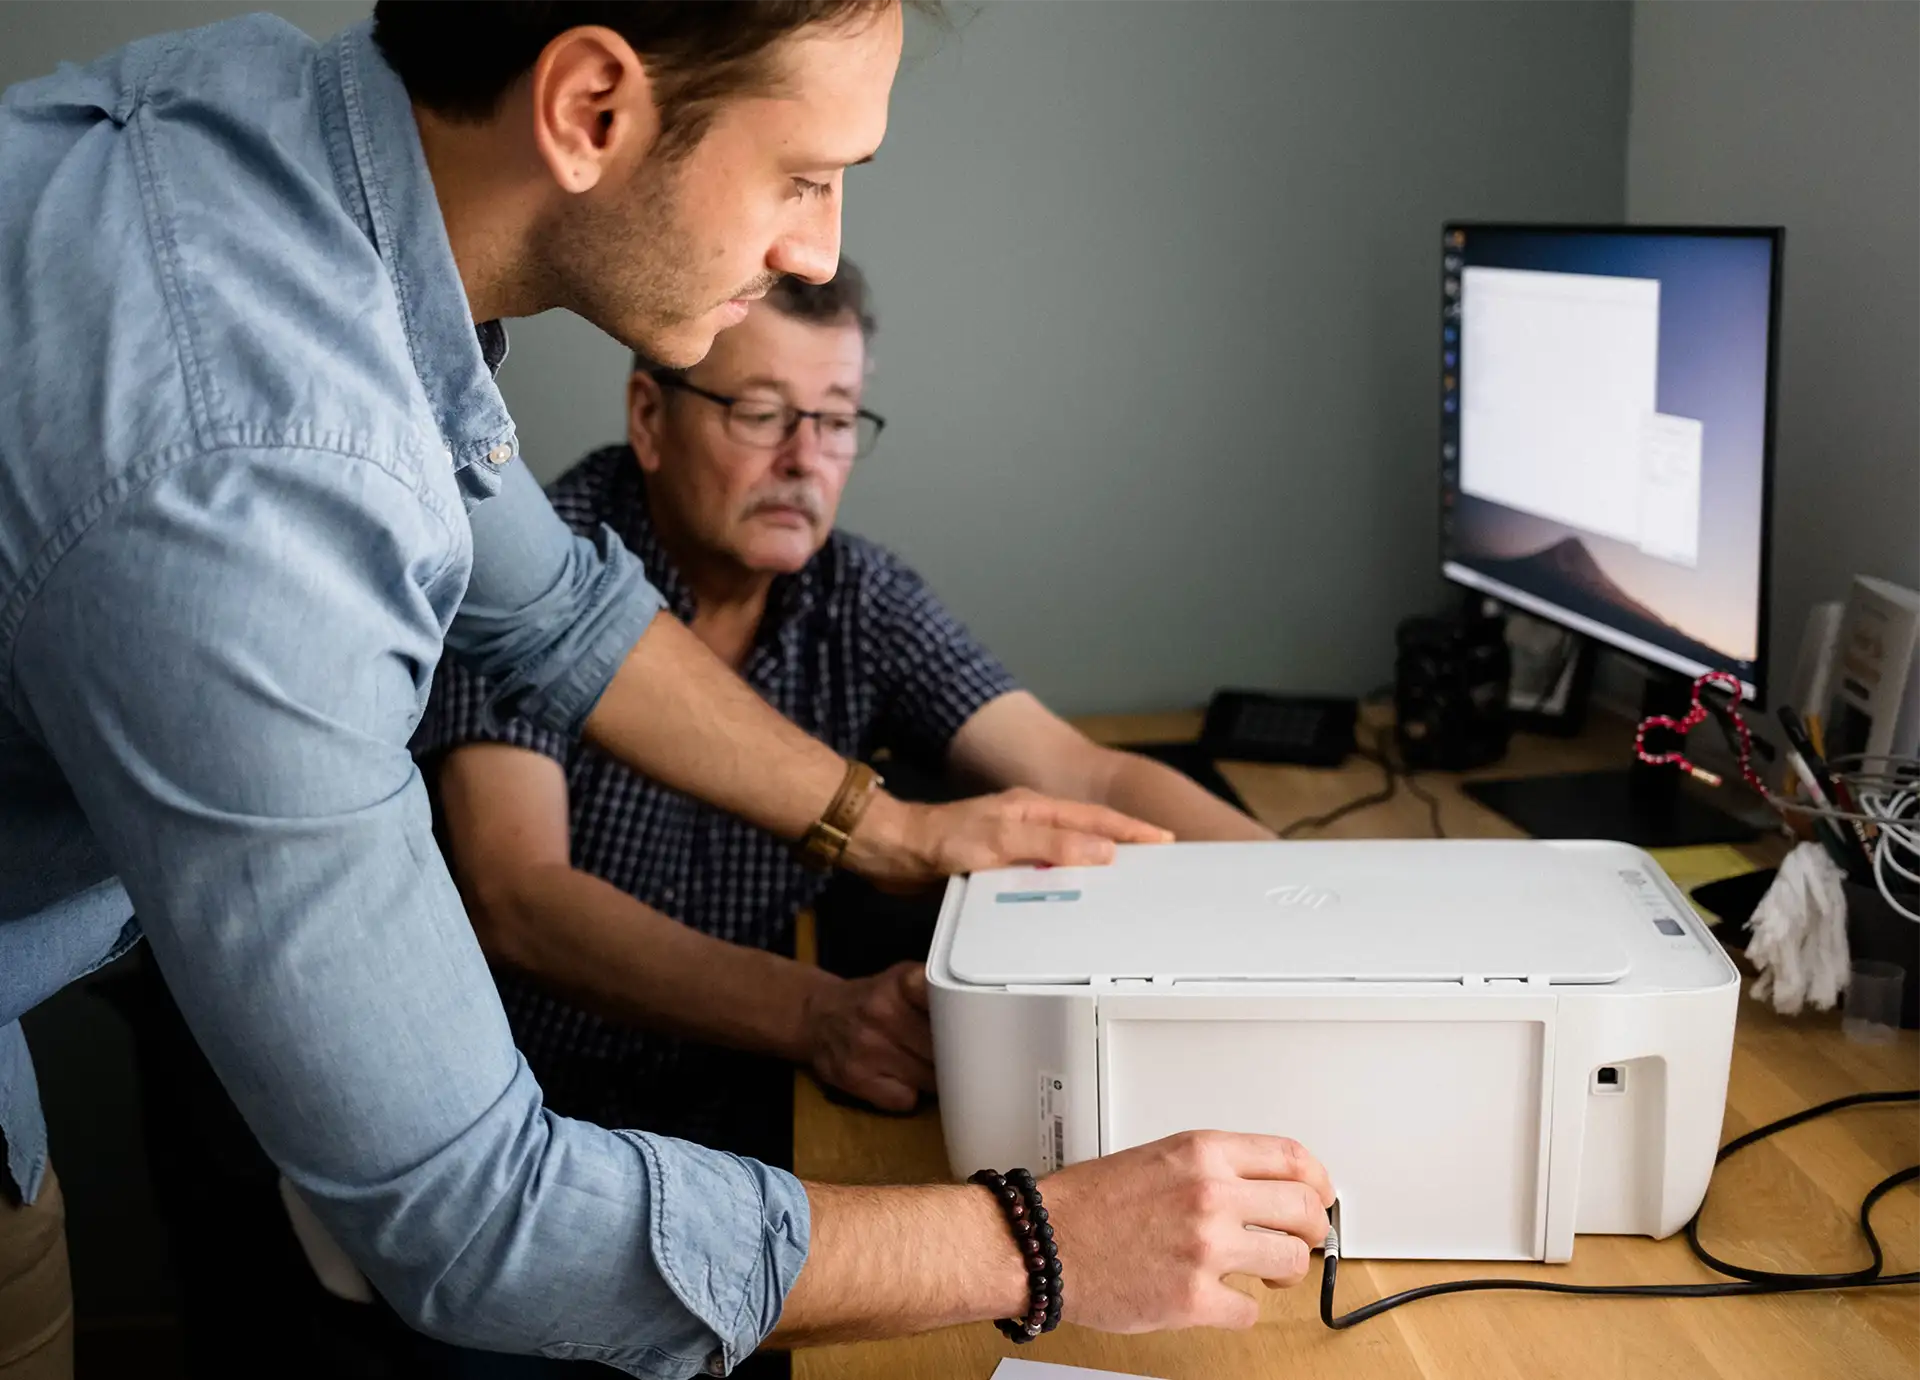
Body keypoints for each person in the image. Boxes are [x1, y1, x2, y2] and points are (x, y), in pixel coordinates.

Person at [0, 5, 1332, 1379]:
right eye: (804, 178)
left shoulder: (296, 158)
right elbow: (475, 1218)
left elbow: (564, 616)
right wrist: (1040, 1244)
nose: (818, 249)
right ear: (589, 109)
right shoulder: (257, 480)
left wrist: (891, 829)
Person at [415, 259, 1274, 1159]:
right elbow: (519, 897)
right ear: (650, 419)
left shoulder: (855, 594)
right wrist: (817, 1014)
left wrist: (1311, 898)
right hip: (541, 1119)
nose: (804, 461)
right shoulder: (528, 572)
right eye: (760, 413)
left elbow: (1083, 775)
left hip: (758, 1097)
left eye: (833, 420)